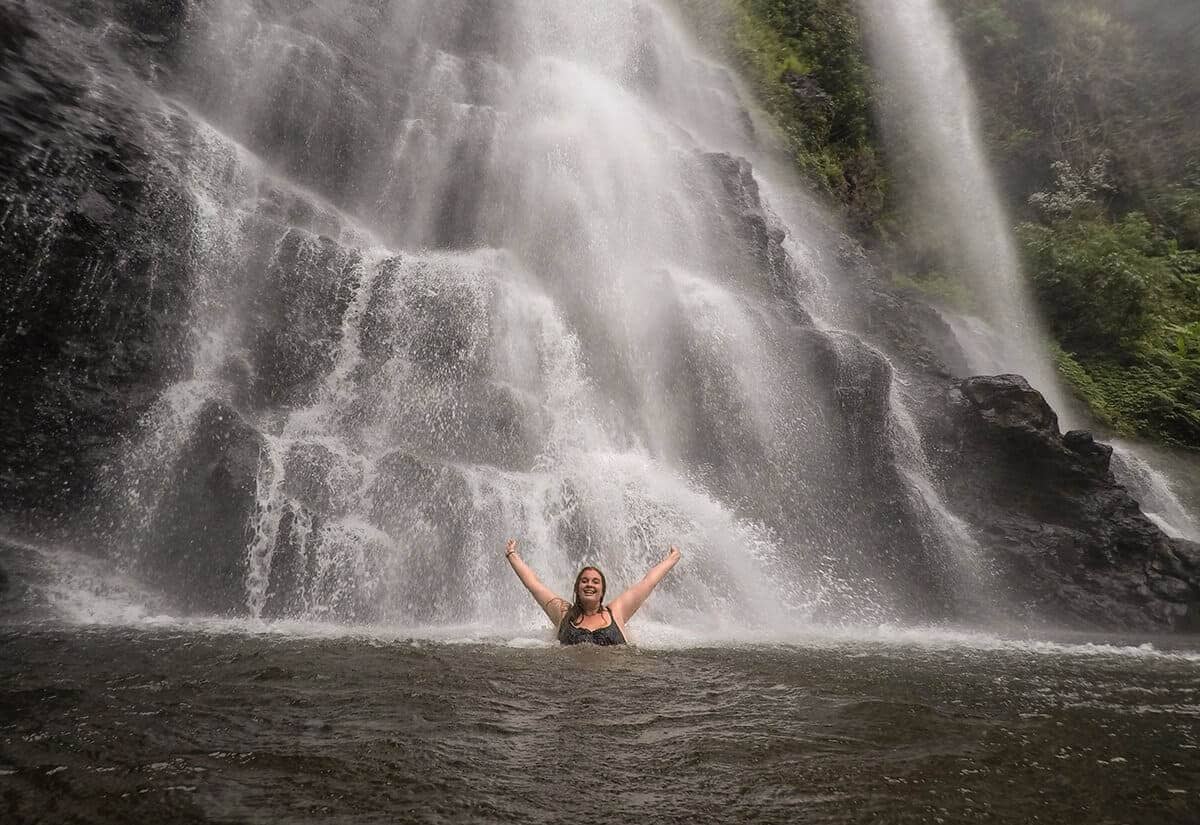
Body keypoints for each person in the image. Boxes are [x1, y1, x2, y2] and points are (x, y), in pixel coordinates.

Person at [504, 538, 681, 645]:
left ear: (602, 590)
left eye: (595, 582)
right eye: (584, 581)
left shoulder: (616, 612)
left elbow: (647, 582)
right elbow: (534, 585)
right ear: (577, 588)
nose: (589, 585)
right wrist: (512, 555)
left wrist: (672, 558)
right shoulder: (563, 612)